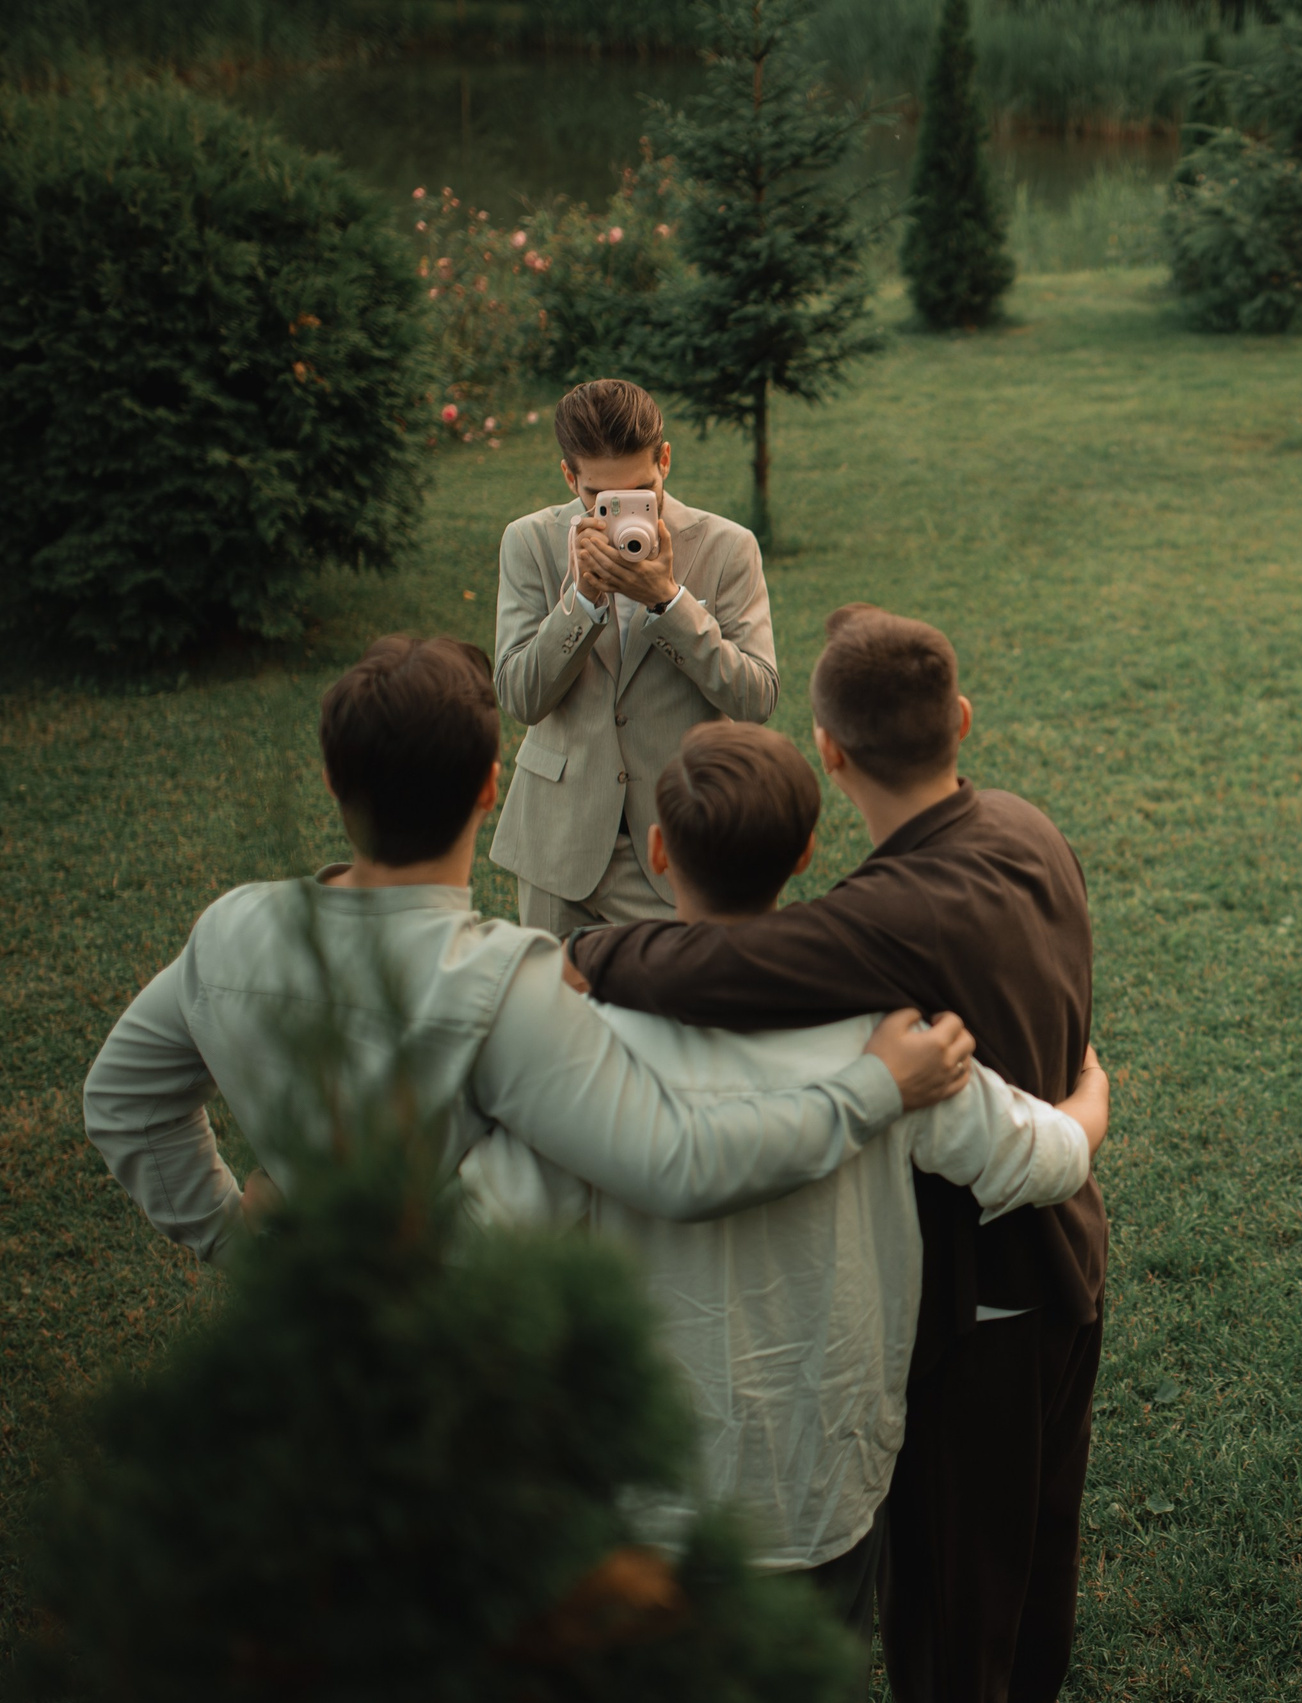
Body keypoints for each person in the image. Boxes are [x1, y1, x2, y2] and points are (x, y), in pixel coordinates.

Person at [473, 720, 1111, 1650]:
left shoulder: (582, 1046)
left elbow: (485, 1230)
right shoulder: (895, 1044)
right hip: (825, 1482)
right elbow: (1036, 1160)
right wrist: (1087, 1101)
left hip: (649, 1486)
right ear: (809, 853)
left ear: (657, 850)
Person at [82, 635, 973, 1267]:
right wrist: (877, 1087)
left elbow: (123, 1099)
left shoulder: (230, 927)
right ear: (488, 787)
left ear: (332, 781)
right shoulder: (509, 982)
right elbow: (678, 1163)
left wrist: (234, 1241)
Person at [490, 378, 779, 937]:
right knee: (556, 1017)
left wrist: (667, 602)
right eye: (599, 498)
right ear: (569, 477)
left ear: (665, 460)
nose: (621, 513)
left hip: (677, 846)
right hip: (559, 845)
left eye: (642, 491)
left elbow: (756, 698)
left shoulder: (727, 547)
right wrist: (580, 602)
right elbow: (520, 697)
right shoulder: (528, 542)